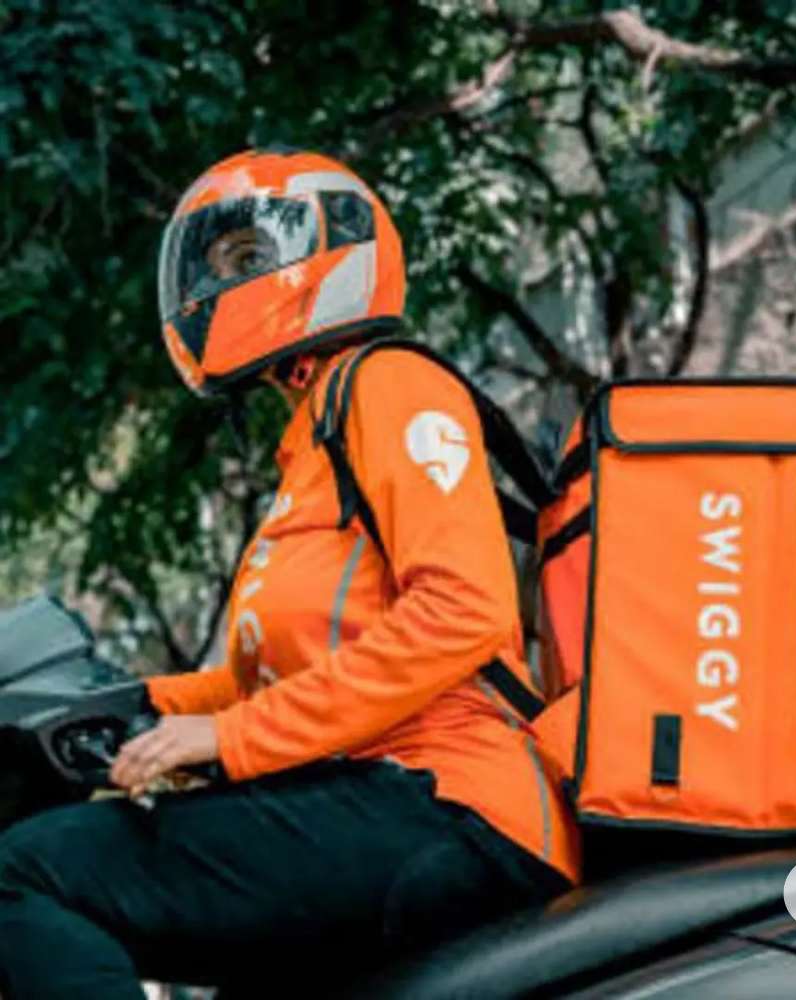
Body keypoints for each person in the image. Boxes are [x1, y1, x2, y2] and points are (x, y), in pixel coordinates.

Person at [0, 148, 580, 998]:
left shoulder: (390, 385)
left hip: (448, 799)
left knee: (24, 872)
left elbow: (463, 611)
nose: (216, 288)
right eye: (212, 266)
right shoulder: (309, 451)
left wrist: (229, 740)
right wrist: (127, 708)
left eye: (245, 258)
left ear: (337, 246)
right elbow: (261, 683)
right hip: (361, 801)